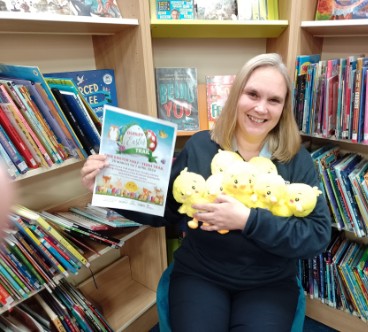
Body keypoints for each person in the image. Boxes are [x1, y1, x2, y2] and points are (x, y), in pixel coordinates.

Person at [81, 53, 331, 331]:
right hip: (200, 275)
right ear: (236, 96)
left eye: (274, 100)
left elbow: (316, 237)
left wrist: (248, 221)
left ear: (284, 108)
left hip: (268, 283)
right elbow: (165, 212)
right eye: (252, 94)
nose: (261, 108)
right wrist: (107, 187)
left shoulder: (296, 160)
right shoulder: (201, 146)